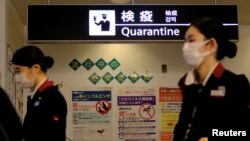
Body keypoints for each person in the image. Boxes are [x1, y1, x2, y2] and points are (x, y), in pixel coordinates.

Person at [173, 17, 250, 141]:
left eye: (191, 40)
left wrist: (211, 137)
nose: (185, 47)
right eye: (185, 41)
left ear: (211, 44)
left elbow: (243, 131)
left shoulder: (235, 83)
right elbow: (183, 125)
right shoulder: (189, 84)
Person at [12, 45, 67, 141]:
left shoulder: (52, 97)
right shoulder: (34, 97)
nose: (16, 76)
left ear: (35, 68)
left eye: (18, 71)